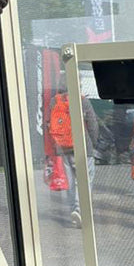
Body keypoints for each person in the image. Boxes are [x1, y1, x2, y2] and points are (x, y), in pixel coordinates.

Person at [48, 85, 98, 228]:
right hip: (83, 147)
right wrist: (93, 143)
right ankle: (79, 210)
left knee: (70, 182)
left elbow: (49, 124)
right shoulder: (82, 101)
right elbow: (92, 123)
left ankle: (74, 211)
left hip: (62, 148)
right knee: (84, 180)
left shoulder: (54, 101)